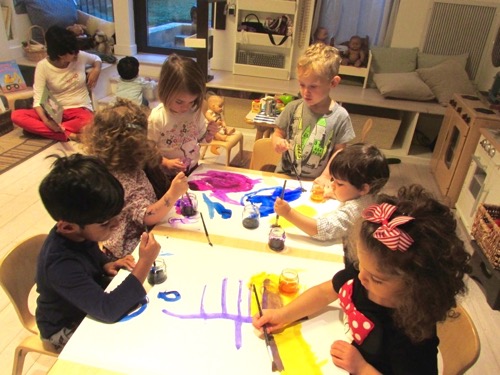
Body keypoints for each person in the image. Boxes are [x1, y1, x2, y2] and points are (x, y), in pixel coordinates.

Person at [253, 184, 471, 374]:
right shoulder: (364, 275)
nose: (361, 278)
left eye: (377, 279)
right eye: (360, 266)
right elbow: (324, 292)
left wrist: (362, 368)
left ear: (416, 286)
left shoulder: (413, 336)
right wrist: (283, 314)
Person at [36, 154, 161, 351]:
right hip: (64, 328)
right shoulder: (61, 264)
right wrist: (145, 262)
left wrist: (105, 263)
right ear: (68, 227)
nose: (116, 224)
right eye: (105, 223)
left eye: (116, 216)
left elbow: (89, 254)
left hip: (88, 306)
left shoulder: (80, 233)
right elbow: (109, 309)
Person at [83, 98, 188, 260]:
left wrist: (164, 165)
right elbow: (147, 216)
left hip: (145, 236)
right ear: (131, 147)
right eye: (143, 143)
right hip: (129, 252)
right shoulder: (122, 178)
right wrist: (174, 193)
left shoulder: (126, 165)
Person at [274, 143, 389, 263]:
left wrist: (288, 213)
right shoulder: (365, 196)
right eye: (333, 179)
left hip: (351, 260)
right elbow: (351, 195)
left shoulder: (357, 210)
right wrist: (335, 193)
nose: (333, 185)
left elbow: (324, 230)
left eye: (340, 184)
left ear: (364, 189)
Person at [272, 43, 355, 181]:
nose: (305, 92)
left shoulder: (341, 116)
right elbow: (278, 133)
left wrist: (326, 176)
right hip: (284, 176)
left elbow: (339, 153)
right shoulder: (292, 107)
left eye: (313, 86)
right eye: (302, 84)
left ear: (333, 83)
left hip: (317, 181)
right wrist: (277, 142)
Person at [11, 25, 101, 142]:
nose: (76, 54)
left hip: (80, 109)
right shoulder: (43, 66)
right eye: (72, 53)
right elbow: (38, 99)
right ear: (60, 54)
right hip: (54, 111)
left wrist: (97, 69)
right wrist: (47, 122)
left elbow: (96, 58)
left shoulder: (79, 56)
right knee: (16, 116)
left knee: (90, 120)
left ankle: (50, 132)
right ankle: (71, 134)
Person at [148, 54, 219, 177]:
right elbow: (148, 149)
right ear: (165, 91)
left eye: (191, 101)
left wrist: (210, 134)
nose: (186, 107)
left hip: (192, 168)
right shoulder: (157, 117)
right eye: (179, 102)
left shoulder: (195, 111)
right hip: (166, 175)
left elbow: (201, 139)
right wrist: (165, 162)